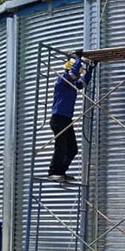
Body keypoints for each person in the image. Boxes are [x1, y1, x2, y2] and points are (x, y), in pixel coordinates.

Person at [48, 51, 96, 183]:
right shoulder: (61, 80)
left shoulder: (72, 84)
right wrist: (78, 58)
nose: (79, 75)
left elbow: (83, 83)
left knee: (73, 149)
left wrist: (90, 70)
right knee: (61, 146)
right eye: (79, 72)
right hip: (58, 119)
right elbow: (73, 73)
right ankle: (53, 172)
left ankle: (61, 172)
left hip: (67, 120)